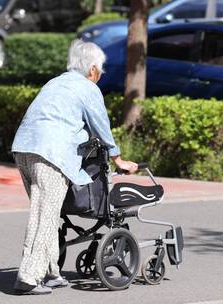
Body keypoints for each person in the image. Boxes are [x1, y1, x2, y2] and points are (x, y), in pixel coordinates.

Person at [11, 39, 138, 295]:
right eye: (100, 71)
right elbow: (101, 127)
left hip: (23, 148)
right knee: (45, 217)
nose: (100, 76)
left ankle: (51, 272)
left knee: (44, 212)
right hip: (51, 154)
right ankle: (28, 276)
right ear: (92, 70)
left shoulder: (54, 82)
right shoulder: (87, 88)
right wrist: (118, 159)